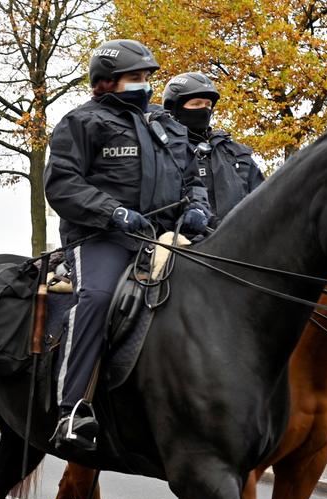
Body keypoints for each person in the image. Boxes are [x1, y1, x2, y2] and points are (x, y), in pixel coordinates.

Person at [44, 39, 210, 450]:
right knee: (97, 298)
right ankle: (71, 410)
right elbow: (62, 183)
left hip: (165, 237)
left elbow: (194, 181)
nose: (144, 84)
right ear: (105, 82)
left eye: (147, 77)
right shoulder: (81, 122)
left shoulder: (167, 124)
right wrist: (113, 212)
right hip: (103, 237)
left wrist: (197, 209)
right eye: (134, 77)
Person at [161, 72, 265, 223]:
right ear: (174, 109)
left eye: (208, 104)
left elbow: (263, 201)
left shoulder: (236, 154)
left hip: (238, 235)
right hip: (181, 235)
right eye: (196, 104)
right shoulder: (163, 150)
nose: (204, 110)